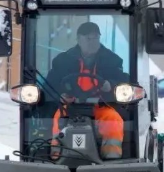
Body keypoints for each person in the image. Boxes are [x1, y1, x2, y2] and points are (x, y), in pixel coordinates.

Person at [46, 22, 127, 159]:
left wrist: (110, 85)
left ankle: (111, 160)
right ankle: (57, 158)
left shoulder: (112, 60)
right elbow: (51, 84)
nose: (93, 42)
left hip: (100, 105)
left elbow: (123, 81)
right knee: (58, 118)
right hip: (70, 106)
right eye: (88, 38)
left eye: (96, 38)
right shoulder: (63, 61)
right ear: (79, 39)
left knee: (113, 120)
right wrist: (61, 96)